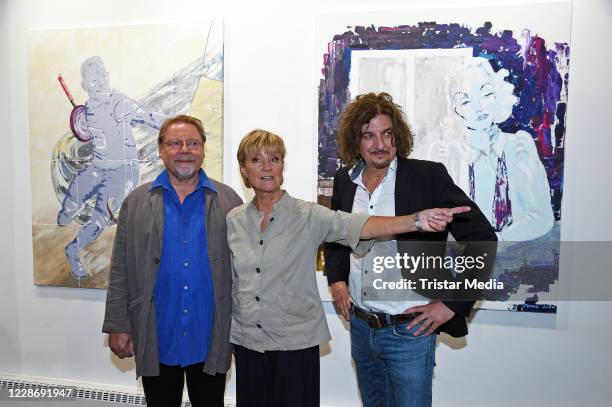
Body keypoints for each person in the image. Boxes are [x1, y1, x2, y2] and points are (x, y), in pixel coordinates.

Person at [227, 129, 471, 407]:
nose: (267, 166)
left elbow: (359, 225)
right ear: (244, 170)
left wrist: (415, 220)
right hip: (248, 342)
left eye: (275, 158)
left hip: (293, 344)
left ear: (283, 165)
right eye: (256, 160)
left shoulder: (308, 215)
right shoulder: (233, 220)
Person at [325, 92, 497, 407]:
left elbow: (483, 237)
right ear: (356, 142)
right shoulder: (343, 182)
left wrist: (452, 304)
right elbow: (336, 234)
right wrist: (336, 278)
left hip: (410, 331)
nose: (380, 144)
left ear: (397, 136)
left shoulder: (426, 177)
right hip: (362, 328)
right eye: (369, 136)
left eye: (387, 133)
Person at [102, 115, 242, 407]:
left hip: (210, 335)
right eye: (175, 143)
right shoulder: (136, 202)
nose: (184, 150)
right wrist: (118, 324)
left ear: (203, 149)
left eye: (193, 143)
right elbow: (119, 270)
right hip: (157, 335)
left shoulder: (229, 201)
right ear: (161, 149)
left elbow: (244, 273)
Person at [57, 56, 167, 279]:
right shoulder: (87, 109)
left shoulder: (120, 103)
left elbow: (149, 117)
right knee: (78, 186)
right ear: (84, 86)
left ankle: (73, 249)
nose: (101, 81)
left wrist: (179, 125)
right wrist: (81, 124)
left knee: (101, 214)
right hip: (98, 165)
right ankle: (67, 212)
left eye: (103, 75)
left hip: (123, 171)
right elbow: (85, 133)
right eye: (94, 79)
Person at [444, 57, 554, 240]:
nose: (478, 107)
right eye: (465, 101)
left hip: (516, 259)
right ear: (455, 109)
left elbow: (541, 217)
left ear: (499, 94)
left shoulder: (518, 146)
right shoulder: (450, 156)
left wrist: (496, 243)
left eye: (485, 94)